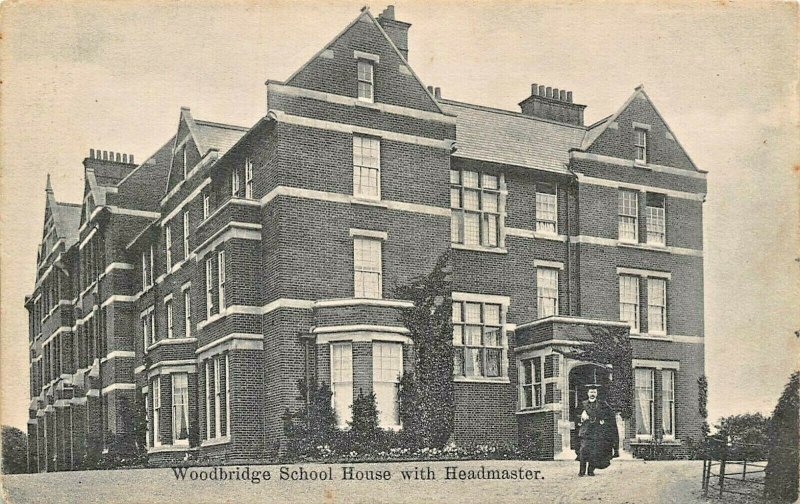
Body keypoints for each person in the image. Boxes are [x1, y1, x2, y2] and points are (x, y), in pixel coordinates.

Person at [577, 383, 619, 476]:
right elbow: (575, 415)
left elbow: (610, 415)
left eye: (594, 392)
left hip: (597, 432)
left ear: (597, 393)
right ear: (587, 393)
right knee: (583, 450)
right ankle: (581, 471)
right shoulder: (582, 404)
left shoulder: (602, 404)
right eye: (591, 392)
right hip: (585, 432)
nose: (593, 394)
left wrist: (604, 421)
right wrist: (581, 417)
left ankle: (591, 470)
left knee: (594, 452)